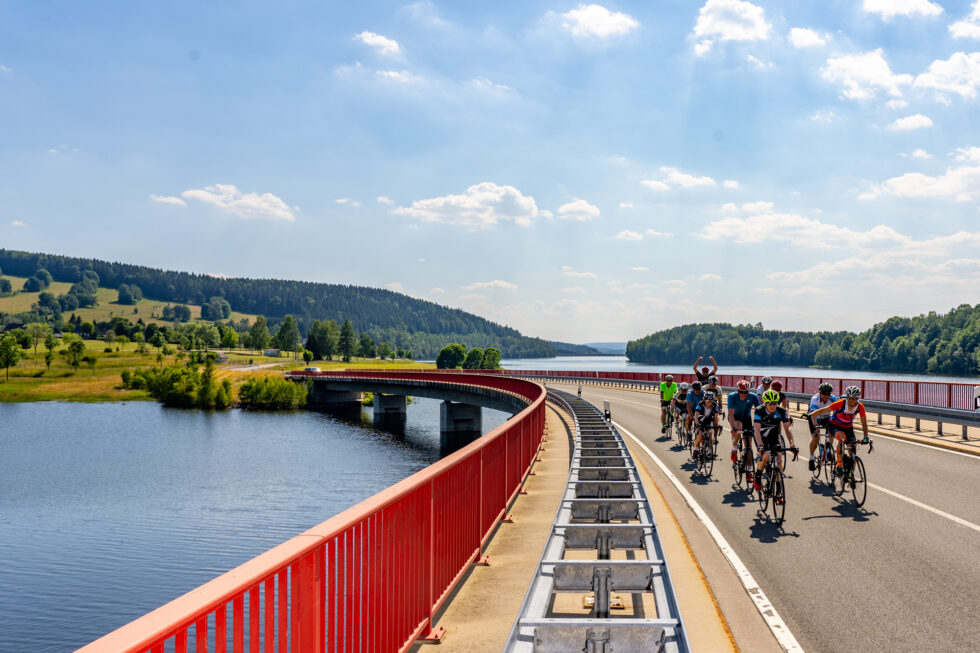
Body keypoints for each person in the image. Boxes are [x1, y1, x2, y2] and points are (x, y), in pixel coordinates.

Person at [809, 386, 869, 474]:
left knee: (853, 451)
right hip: (835, 425)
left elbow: (864, 422)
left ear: (857, 398)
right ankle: (839, 465)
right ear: (847, 397)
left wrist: (866, 436)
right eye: (849, 398)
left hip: (848, 427)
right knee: (842, 438)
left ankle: (850, 474)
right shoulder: (841, 403)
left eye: (854, 398)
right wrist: (811, 414)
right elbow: (824, 410)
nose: (851, 400)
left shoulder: (860, 407)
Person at [753, 389, 798, 493]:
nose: (772, 405)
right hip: (761, 437)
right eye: (770, 403)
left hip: (774, 436)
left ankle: (778, 487)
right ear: (764, 402)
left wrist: (792, 444)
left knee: (779, 458)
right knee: (765, 456)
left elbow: (787, 429)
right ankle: (758, 475)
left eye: (775, 403)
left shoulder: (782, 411)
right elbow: (756, 429)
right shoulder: (759, 410)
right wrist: (760, 445)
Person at [727, 379, 760, 473]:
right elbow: (730, 413)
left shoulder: (753, 396)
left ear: (748, 391)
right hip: (735, 418)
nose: (743, 394)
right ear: (738, 391)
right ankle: (734, 449)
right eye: (741, 392)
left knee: (749, 446)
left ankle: (749, 470)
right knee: (738, 426)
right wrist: (733, 427)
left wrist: (759, 425)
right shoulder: (732, 396)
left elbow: (759, 410)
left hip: (747, 419)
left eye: (745, 392)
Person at [803, 383, 837, 471]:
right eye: (824, 394)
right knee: (816, 437)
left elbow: (837, 413)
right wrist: (816, 426)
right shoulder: (815, 399)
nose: (826, 396)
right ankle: (811, 457)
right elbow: (813, 415)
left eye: (828, 394)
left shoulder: (833, 399)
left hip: (826, 418)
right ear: (820, 393)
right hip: (815, 417)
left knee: (831, 432)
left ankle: (828, 449)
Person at [692, 391, 722, 460]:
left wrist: (717, 425)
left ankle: (709, 451)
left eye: (711, 401)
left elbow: (716, 416)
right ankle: (696, 449)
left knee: (710, 433)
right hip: (701, 420)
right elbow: (696, 415)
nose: (709, 402)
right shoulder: (700, 404)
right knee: (700, 435)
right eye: (708, 400)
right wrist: (697, 424)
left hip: (708, 420)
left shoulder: (714, 404)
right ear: (704, 399)